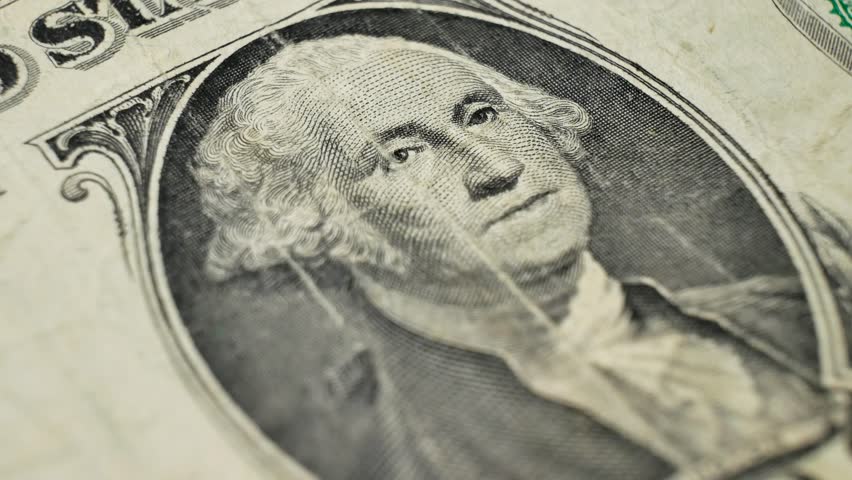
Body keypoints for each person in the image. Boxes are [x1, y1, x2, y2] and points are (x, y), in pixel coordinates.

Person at [192, 35, 841, 479]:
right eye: (402, 156)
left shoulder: (801, 303)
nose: (497, 168)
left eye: (480, 116)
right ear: (313, 225)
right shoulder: (391, 453)